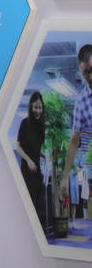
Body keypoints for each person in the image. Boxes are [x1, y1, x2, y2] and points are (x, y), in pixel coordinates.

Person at [60, 45, 92, 214]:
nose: (90, 77)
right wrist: (65, 177)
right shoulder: (82, 101)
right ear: (80, 71)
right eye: (86, 73)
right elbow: (73, 141)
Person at [16, 92, 46, 229]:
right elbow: (19, 147)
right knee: (28, 204)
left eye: (40, 108)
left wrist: (43, 154)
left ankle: (39, 234)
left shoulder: (40, 126)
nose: (38, 111)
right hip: (27, 171)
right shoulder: (25, 123)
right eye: (35, 107)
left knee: (39, 205)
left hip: (37, 171)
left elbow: (35, 147)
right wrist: (28, 160)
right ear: (30, 107)